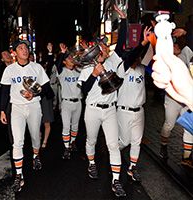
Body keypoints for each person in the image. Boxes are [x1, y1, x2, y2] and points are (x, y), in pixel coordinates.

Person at [78, 5, 127, 197]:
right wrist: (93, 74)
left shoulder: (114, 60)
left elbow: (122, 44)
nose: (106, 48)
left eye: (107, 46)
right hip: (92, 110)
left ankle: (116, 181)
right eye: (102, 46)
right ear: (96, 50)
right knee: (91, 140)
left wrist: (123, 21)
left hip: (110, 110)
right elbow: (85, 90)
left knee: (113, 145)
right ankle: (91, 164)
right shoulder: (87, 66)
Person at [0, 39, 50, 192]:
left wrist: (34, 93)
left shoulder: (37, 68)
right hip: (17, 108)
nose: (25, 49)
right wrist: (2, 110)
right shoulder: (10, 70)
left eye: (26, 47)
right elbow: (5, 91)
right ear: (14, 52)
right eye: (20, 47)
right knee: (18, 141)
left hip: (34, 106)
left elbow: (47, 88)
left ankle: (36, 155)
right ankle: (19, 176)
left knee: (35, 136)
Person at [116, 26, 151, 182]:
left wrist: (153, 39)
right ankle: (113, 153)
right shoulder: (122, 69)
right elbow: (131, 57)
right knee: (124, 141)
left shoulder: (141, 69)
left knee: (137, 141)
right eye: (132, 56)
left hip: (139, 111)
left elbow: (149, 56)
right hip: (124, 111)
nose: (135, 58)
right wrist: (142, 42)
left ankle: (132, 168)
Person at [156, 27, 193, 167]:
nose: (176, 45)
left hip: (185, 97)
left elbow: (191, 44)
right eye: (174, 44)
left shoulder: (184, 55)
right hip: (171, 98)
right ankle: (163, 146)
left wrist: (186, 33)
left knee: (188, 126)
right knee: (169, 124)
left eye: (177, 44)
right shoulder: (166, 60)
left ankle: (186, 157)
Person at [56, 42, 82, 159]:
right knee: (66, 126)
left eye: (71, 57)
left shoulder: (79, 71)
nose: (71, 59)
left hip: (78, 102)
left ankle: (72, 141)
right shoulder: (61, 72)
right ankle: (67, 147)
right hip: (66, 102)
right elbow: (57, 64)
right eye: (68, 58)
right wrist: (62, 53)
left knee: (75, 125)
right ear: (64, 62)